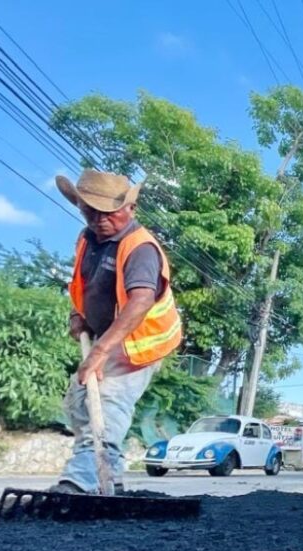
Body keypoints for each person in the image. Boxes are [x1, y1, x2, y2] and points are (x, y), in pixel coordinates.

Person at [53, 169, 183, 494]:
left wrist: (99, 352)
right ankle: (109, 478)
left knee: (109, 405)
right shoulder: (87, 239)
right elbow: (83, 283)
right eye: (90, 211)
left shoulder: (140, 249)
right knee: (78, 401)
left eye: (107, 212)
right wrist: (77, 314)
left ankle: (82, 481)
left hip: (140, 343)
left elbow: (140, 302)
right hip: (107, 336)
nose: (99, 219)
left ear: (130, 209)